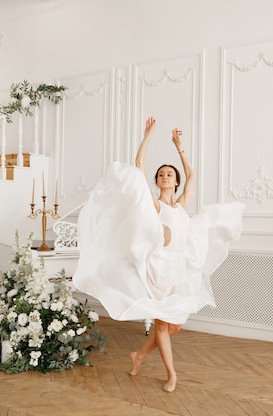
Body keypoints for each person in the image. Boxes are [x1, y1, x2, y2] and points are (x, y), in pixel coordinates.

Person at [73, 117, 245, 393]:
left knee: (173, 326)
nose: (165, 176)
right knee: (163, 325)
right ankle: (171, 374)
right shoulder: (156, 206)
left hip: (180, 266)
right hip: (159, 269)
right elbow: (139, 165)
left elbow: (193, 176)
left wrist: (179, 147)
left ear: (175, 182)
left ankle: (138, 355)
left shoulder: (181, 205)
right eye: (161, 174)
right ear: (158, 182)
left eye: (169, 174)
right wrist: (148, 135)